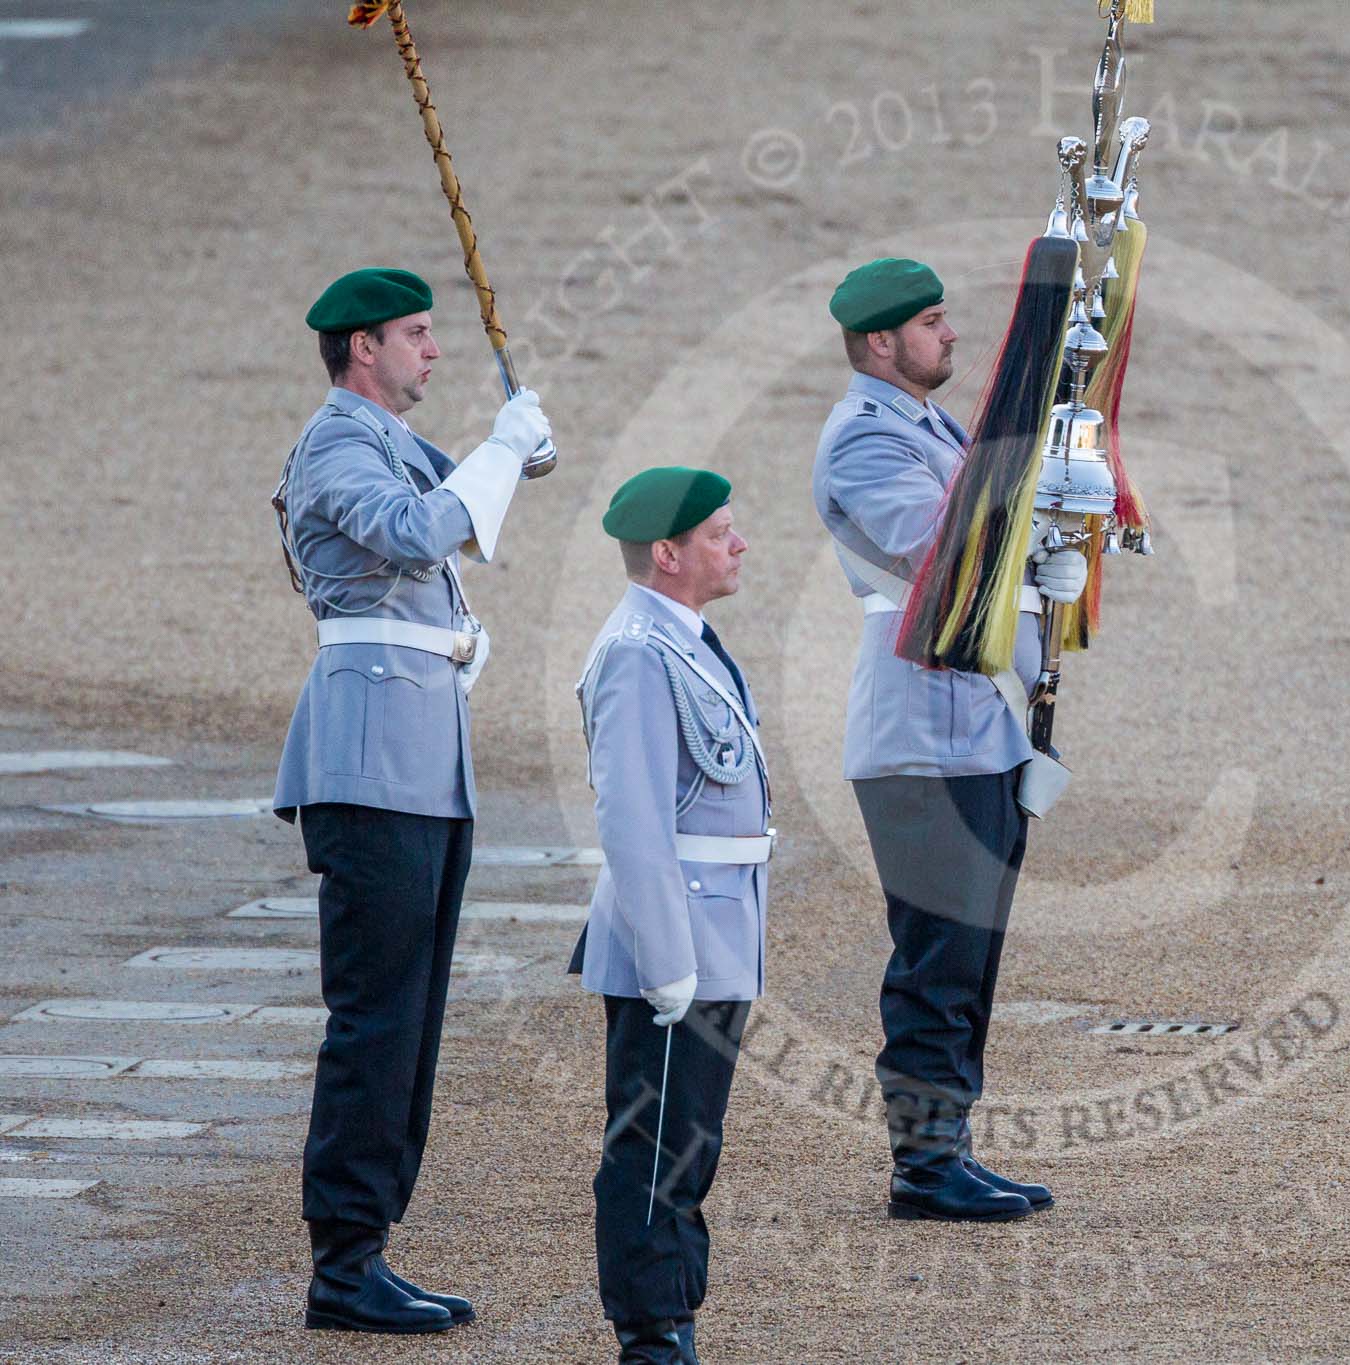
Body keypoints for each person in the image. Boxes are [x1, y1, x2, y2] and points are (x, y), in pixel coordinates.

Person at [272, 267, 552, 1333]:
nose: (433, 350)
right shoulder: (339, 444)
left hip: (420, 760)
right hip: (370, 761)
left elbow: (473, 509)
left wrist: (514, 450)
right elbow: (419, 531)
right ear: (360, 350)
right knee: (376, 1019)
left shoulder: (383, 439)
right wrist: (501, 446)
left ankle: (368, 1247)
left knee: (411, 1021)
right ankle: (343, 1263)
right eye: (414, 334)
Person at [812, 257, 1088, 1222]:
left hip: (975, 728)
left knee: (969, 957)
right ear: (882, 341)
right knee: (937, 958)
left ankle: (948, 1146)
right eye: (933, 322)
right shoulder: (862, 440)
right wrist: (1037, 499)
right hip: (919, 733)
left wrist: (1050, 542)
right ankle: (924, 1165)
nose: (951, 334)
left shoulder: (921, 424)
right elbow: (949, 547)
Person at [571, 466, 769, 1365]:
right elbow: (632, 818)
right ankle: (651, 1334)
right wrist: (665, 958)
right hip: (677, 935)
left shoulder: (683, 636)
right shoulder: (639, 653)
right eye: (720, 532)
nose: (737, 545)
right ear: (667, 553)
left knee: (690, 1146)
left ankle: (673, 1319)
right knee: (655, 1151)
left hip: (715, 930)